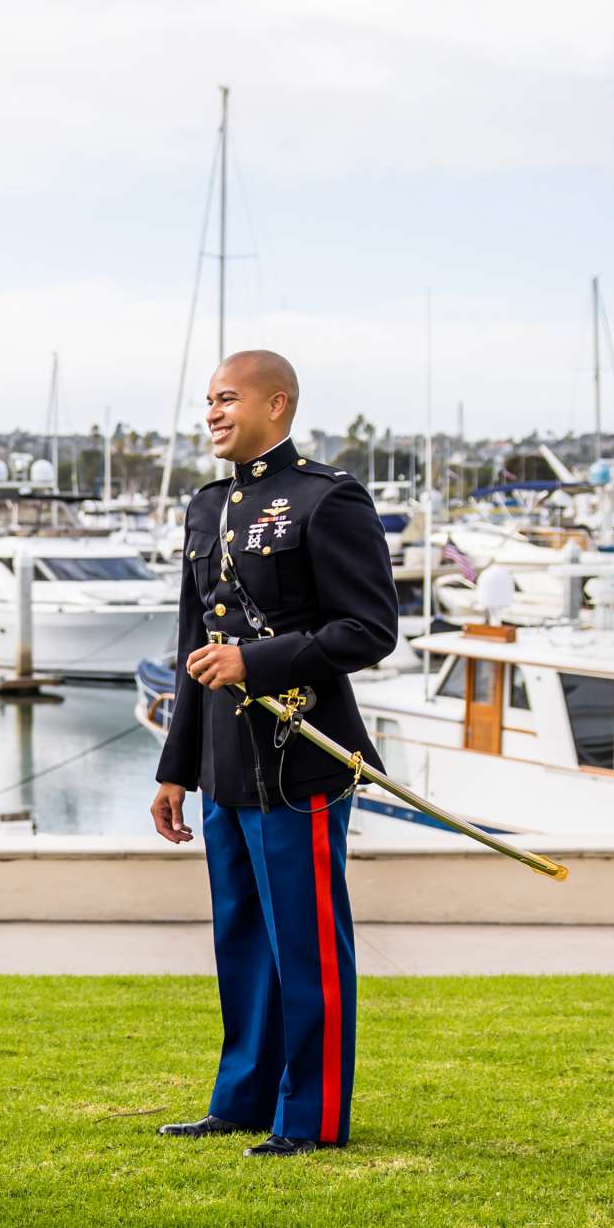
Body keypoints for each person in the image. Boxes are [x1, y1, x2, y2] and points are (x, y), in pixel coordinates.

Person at [148, 349, 398, 1157]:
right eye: (208, 402)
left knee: (307, 941)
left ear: (277, 405)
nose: (213, 413)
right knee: (243, 940)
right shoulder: (206, 506)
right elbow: (195, 644)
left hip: (302, 758)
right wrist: (175, 770)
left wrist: (257, 661)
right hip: (224, 761)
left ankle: (313, 1119)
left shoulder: (328, 499)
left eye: (227, 399)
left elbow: (369, 631)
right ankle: (244, 1101)